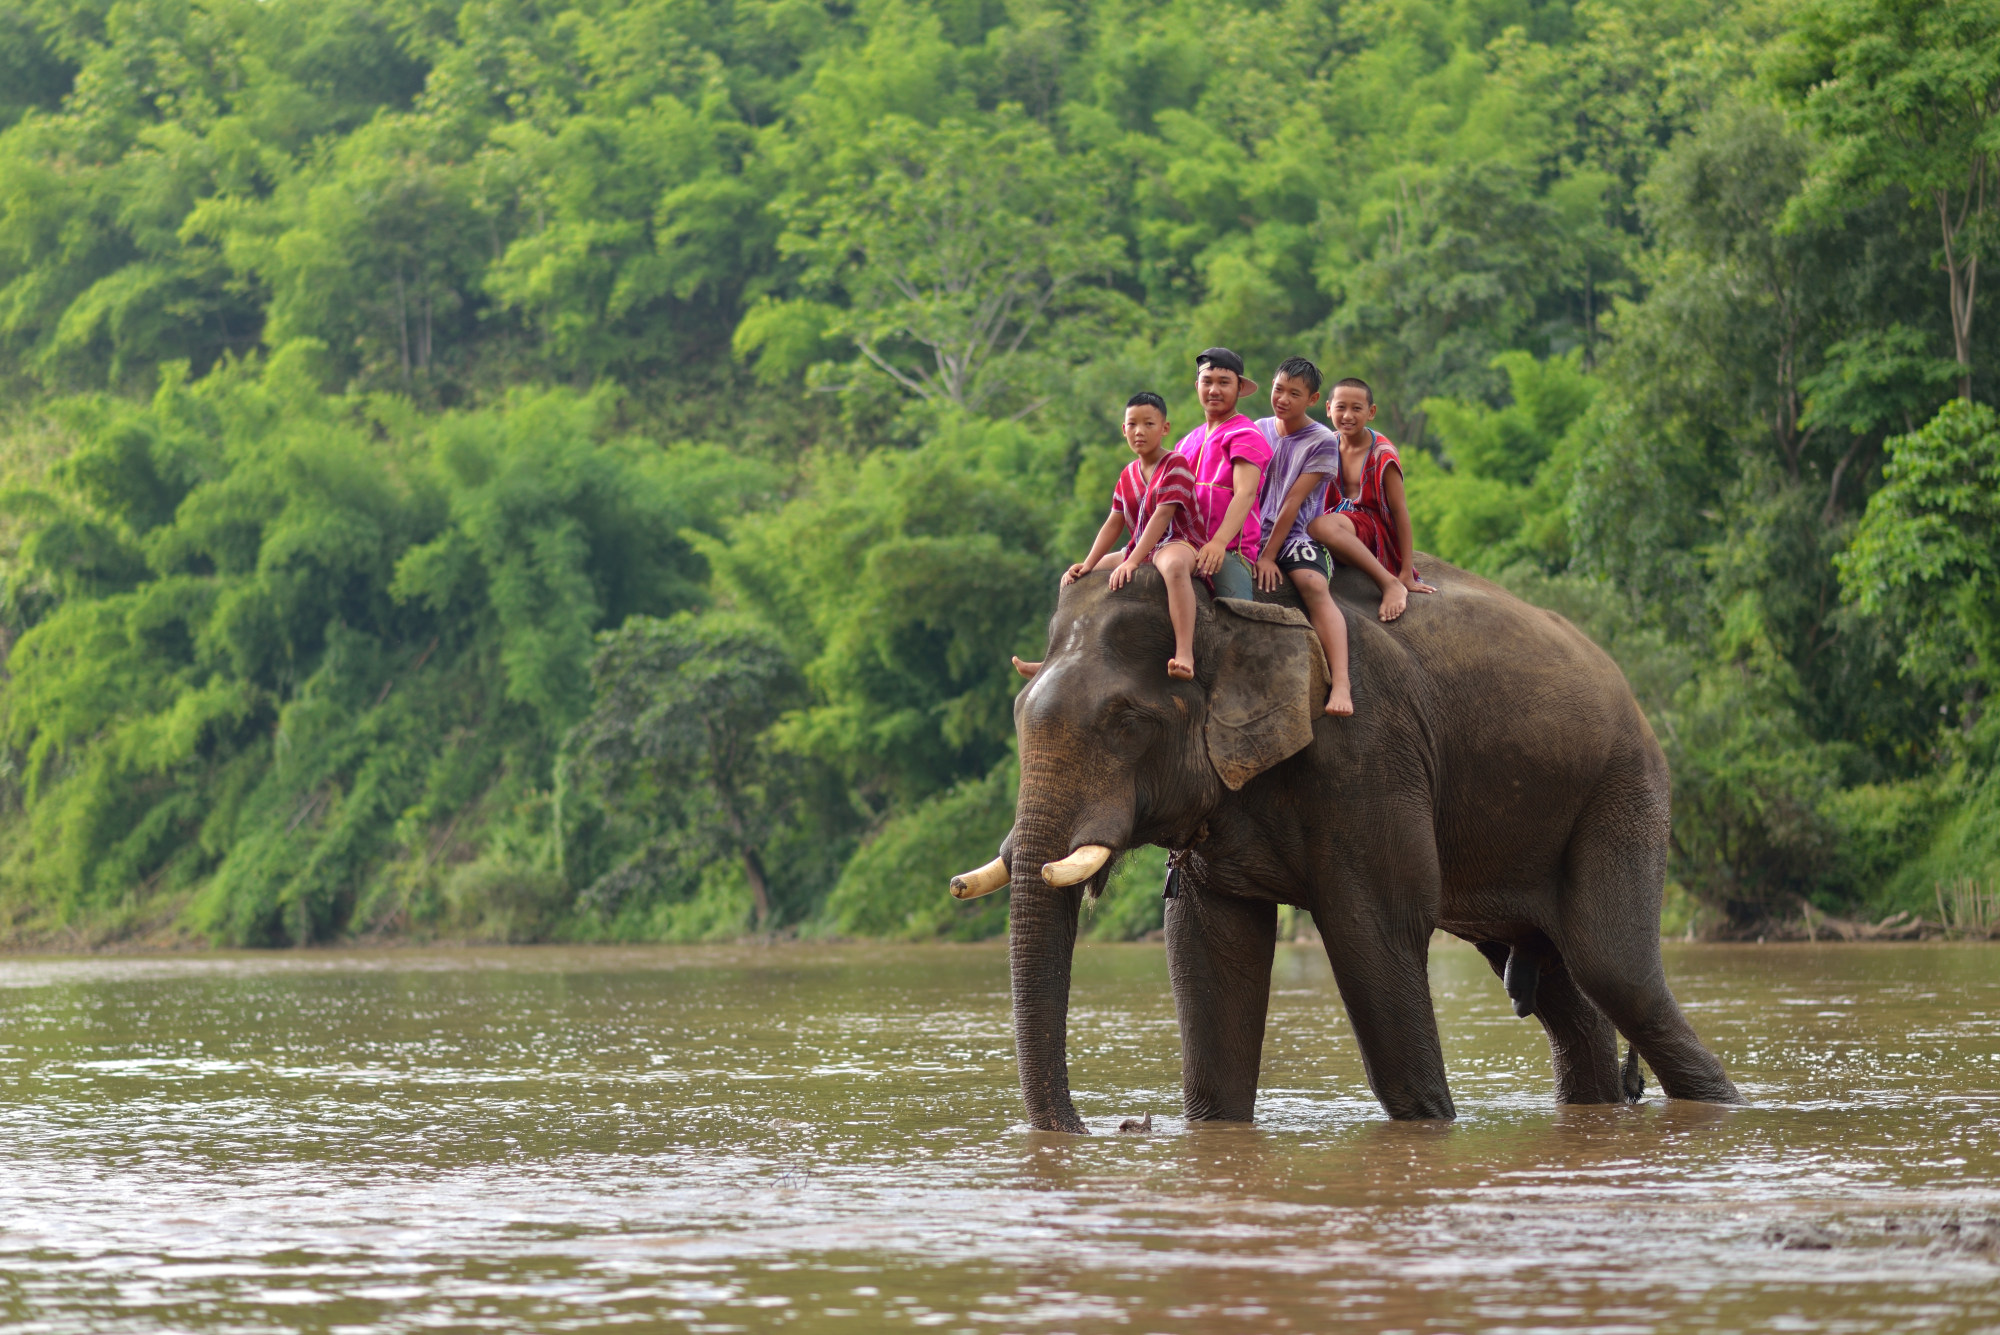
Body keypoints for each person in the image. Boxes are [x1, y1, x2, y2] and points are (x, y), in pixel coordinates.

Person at [1014, 392, 1200, 681]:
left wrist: (1131, 562)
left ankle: (1185, 653)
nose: (1140, 431)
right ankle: (1055, 658)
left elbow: (1162, 517)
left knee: (1174, 568)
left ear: (1164, 428)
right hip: (1139, 548)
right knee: (1077, 582)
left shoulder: (1175, 464)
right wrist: (1088, 563)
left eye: (1149, 424)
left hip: (1177, 542)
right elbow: (1113, 523)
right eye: (1133, 424)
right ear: (1123, 430)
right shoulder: (1128, 474)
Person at [1250, 357, 1353, 715]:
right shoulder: (1256, 428)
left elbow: (1293, 500)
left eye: (1295, 393)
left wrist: (1267, 556)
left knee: (1311, 584)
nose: (1283, 399)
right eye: (1279, 389)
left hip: (1294, 534)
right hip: (1248, 531)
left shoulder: (1322, 440)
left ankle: (1341, 683)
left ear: (1312, 399)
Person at [1307, 377, 1436, 621]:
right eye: (1340, 407)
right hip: (1342, 523)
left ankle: (1389, 584)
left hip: (1371, 529)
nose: (1348, 415)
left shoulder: (1382, 454)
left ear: (1371, 412)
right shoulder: (1327, 443)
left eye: (1357, 409)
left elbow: (1399, 511)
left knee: (1319, 526)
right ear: (1327, 409)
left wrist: (1406, 571)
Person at [1175, 347, 1271, 603]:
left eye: (1224, 383)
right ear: (1197, 385)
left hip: (1228, 548)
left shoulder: (1245, 434)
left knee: (1238, 617)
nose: (1214, 390)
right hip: (1184, 544)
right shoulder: (1185, 443)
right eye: (1207, 382)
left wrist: (1218, 543)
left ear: (1239, 388)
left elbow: (1245, 492)